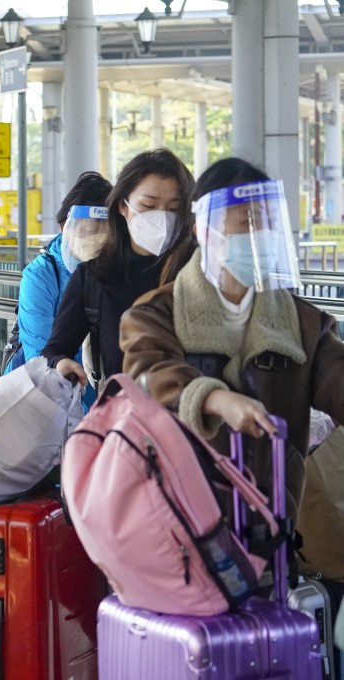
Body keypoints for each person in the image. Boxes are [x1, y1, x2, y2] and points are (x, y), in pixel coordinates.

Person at [120, 157, 344, 522]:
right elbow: (147, 376)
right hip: (179, 521)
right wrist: (213, 398)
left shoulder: (304, 323)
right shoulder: (156, 313)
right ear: (203, 229)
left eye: (267, 224)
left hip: (271, 521)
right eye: (246, 223)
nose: (259, 236)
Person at [43, 148, 196, 388]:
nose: (163, 218)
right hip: (123, 419)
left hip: (196, 421)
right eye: (149, 205)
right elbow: (54, 351)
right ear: (123, 206)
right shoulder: (93, 278)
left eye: (174, 209)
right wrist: (62, 364)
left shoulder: (201, 273)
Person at [5, 171, 113, 385]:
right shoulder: (41, 276)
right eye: (90, 230)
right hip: (49, 392)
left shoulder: (120, 272)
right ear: (65, 227)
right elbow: (41, 356)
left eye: (107, 231)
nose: (98, 239)